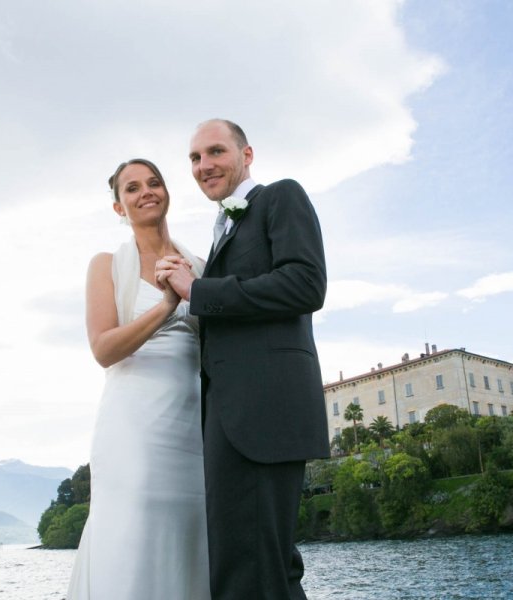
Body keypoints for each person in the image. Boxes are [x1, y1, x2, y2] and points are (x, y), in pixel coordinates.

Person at [157, 119, 330, 599]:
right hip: (230, 419)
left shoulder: (281, 197)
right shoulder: (221, 230)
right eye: (194, 158)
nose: (204, 165)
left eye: (215, 152)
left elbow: (306, 284)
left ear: (247, 154)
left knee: (248, 572)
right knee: (263, 569)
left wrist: (199, 290)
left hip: (265, 415)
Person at [67, 158, 209, 599]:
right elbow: (103, 349)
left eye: (154, 182)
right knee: (133, 531)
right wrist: (167, 304)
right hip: (134, 426)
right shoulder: (106, 264)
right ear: (118, 207)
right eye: (132, 188)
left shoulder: (201, 264)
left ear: (167, 192)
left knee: (191, 533)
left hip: (193, 424)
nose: (146, 191)